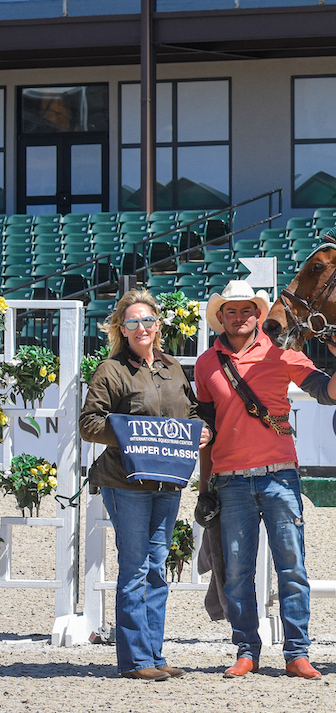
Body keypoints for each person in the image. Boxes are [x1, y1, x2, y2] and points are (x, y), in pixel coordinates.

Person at [194, 279, 336, 680]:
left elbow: (328, 393)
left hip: (279, 476)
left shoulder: (282, 352)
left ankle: (296, 652)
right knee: (237, 571)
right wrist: (204, 487)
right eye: (231, 310)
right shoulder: (205, 363)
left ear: (258, 314)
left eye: (246, 309)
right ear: (221, 318)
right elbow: (205, 429)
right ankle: (247, 650)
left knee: (292, 568)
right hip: (230, 481)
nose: (239, 316)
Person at [79, 288, 212, 681]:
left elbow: (190, 413)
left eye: (148, 320)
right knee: (135, 568)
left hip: (167, 484)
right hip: (125, 482)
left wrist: (201, 431)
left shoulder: (172, 367)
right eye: (133, 321)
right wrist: (133, 435)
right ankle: (136, 660)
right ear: (122, 327)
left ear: (158, 324)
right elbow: (89, 424)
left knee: (157, 569)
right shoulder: (111, 370)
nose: (142, 327)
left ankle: (153, 654)